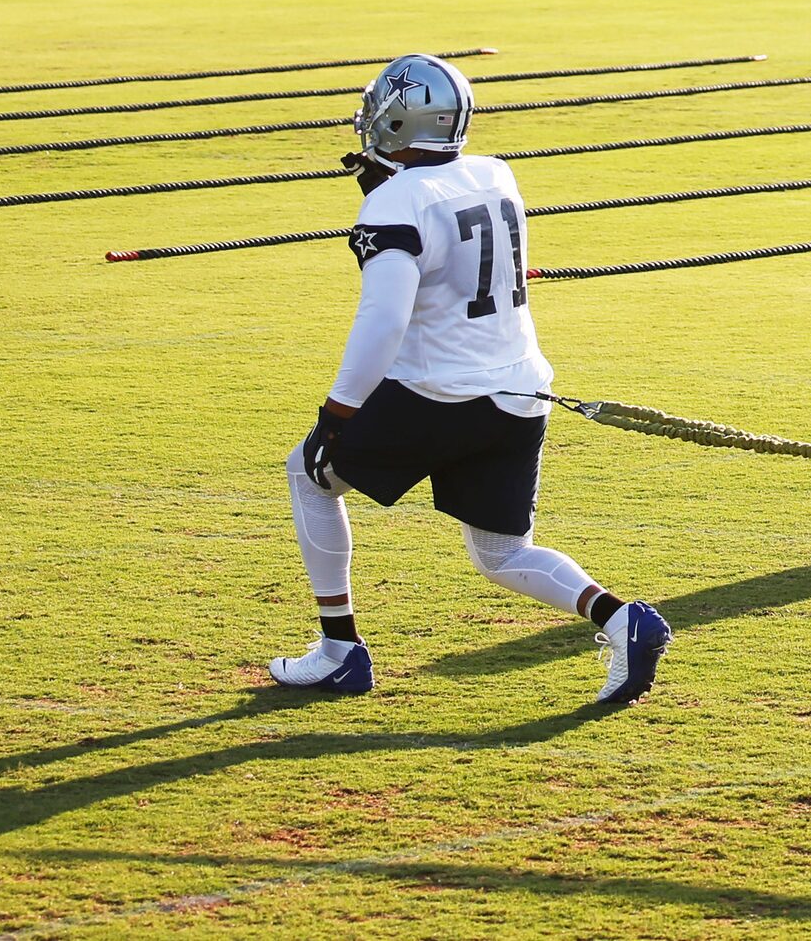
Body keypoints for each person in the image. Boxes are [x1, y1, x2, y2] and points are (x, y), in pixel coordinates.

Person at [269, 54, 672, 705]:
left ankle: (340, 652)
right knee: (504, 553)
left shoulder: (397, 203)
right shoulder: (495, 174)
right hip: (518, 393)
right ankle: (623, 620)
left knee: (308, 473)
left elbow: (384, 320)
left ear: (401, 119)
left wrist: (334, 416)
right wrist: (388, 189)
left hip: (438, 395)